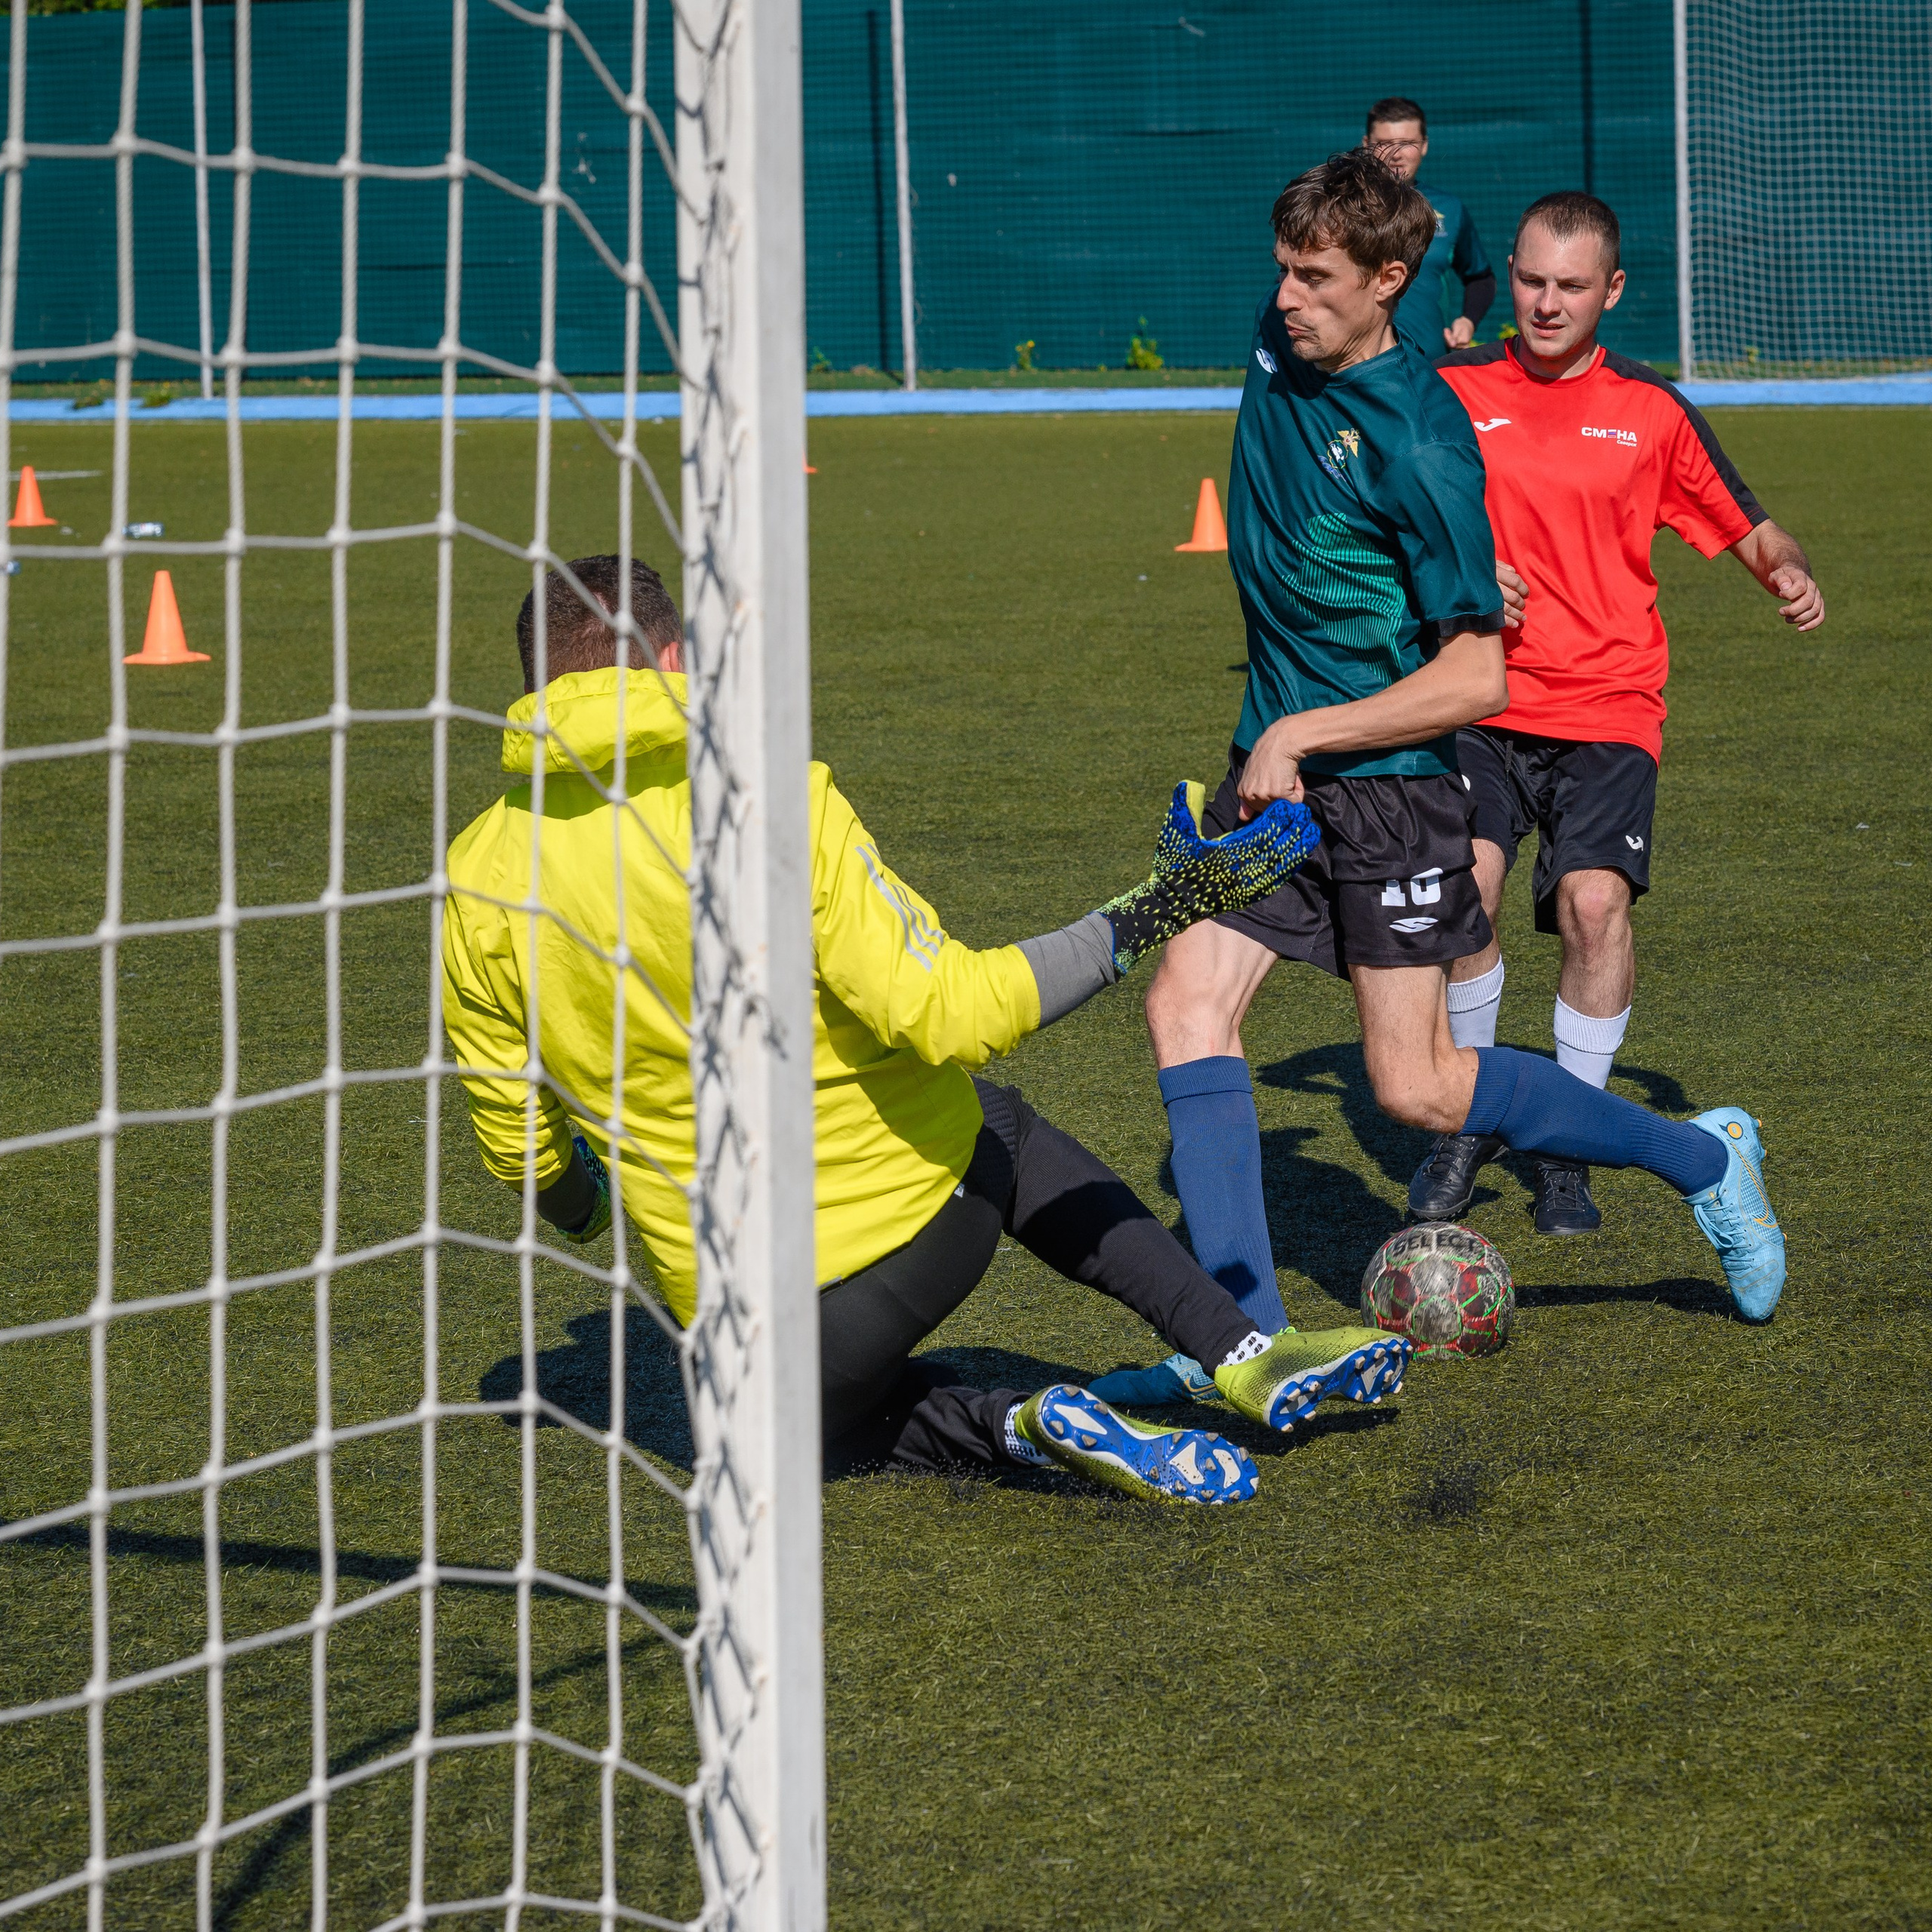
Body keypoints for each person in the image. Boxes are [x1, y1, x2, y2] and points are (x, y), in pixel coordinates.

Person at [440, 555, 1413, 1509]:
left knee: (791, 1429)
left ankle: (1024, 1423)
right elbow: (953, 1012)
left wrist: (578, 1209)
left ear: (533, 689)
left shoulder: (476, 874)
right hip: (923, 1223)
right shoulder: (767, 798)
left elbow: (517, 1146)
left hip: (751, 1340)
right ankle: (1240, 1348)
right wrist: (1153, 910)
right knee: (997, 1120)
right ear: (675, 659)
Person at [1092, 155, 1785, 1413]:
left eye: (1316, 280)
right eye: (1283, 271)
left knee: (1414, 1087)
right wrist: (1289, 739)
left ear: (1390, 286)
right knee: (1187, 1010)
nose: (1288, 299)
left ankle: (1701, 1157)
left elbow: (1474, 680)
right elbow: (1342, 215)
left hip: (1394, 788)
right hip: (1289, 774)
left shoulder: (1423, 442)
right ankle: (1245, 1349)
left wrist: (1306, 728)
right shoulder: (1284, 340)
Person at [1413, 191, 1824, 1235]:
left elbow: (1755, 529)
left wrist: (1788, 575)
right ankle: (1463, 1120)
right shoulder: (1448, 387)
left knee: (1596, 908)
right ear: (1508, 274)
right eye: (1531, 281)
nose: (1547, 304)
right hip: (1477, 694)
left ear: (1612, 289)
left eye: (1571, 286)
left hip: (1607, 707)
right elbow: (1378, 520)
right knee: (1465, 893)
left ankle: (1565, 1139)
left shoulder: (1651, 410)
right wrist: (1459, 572)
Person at [1364, 96, 1497, 363]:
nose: (1396, 154)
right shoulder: (1343, 208)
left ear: (1424, 145)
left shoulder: (1450, 209)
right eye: (1384, 144)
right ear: (1366, 146)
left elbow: (1481, 278)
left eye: (1408, 143)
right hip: (1359, 370)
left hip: (1431, 369)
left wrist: (1468, 321)